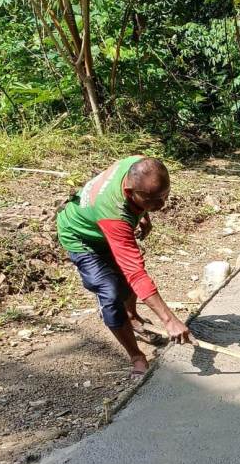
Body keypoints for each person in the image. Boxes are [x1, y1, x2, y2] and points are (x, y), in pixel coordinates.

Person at [56, 156, 192, 377]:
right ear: (130, 192)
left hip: (104, 223)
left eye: (164, 196)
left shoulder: (139, 164)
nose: (162, 205)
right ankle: (137, 356)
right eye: (152, 200)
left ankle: (132, 317)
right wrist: (170, 320)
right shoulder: (114, 214)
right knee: (110, 294)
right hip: (82, 238)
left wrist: (143, 213)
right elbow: (136, 273)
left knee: (125, 277)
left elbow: (146, 191)